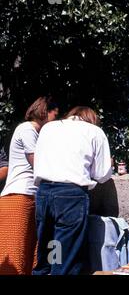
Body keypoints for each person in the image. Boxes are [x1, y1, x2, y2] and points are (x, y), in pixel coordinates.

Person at [33, 106, 112, 275]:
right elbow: (102, 174)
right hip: (70, 196)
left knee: (50, 251)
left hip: (44, 193)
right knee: (67, 258)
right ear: (92, 119)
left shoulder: (49, 127)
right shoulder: (94, 131)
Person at [0, 97, 59, 275]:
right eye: (55, 115)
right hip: (18, 197)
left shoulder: (37, 132)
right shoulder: (27, 129)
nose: (56, 120)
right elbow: (38, 163)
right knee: (14, 254)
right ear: (45, 112)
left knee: (31, 257)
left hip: (30, 197)